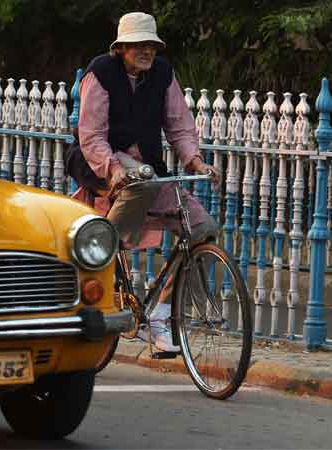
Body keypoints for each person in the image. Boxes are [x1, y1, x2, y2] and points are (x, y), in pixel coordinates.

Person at [72, 12, 220, 352]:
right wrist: (112, 168)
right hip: (103, 158)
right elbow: (92, 135)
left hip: (148, 168)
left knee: (203, 228)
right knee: (142, 182)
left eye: (151, 45)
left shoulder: (163, 74)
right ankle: (101, 252)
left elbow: (179, 125)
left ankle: (161, 311)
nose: (147, 51)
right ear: (121, 47)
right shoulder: (100, 73)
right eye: (139, 45)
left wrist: (195, 160)